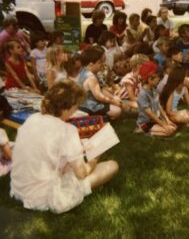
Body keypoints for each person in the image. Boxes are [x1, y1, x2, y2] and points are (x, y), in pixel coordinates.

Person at [10, 80, 119, 214]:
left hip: (20, 189)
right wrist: (96, 156)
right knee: (112, 166)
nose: (75, 112)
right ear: (66, 107)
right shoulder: (67, 130)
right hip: (44, 197)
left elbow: (47, 151)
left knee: (69, 166)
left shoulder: (32, 119)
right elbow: (82, 173)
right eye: (75, 108)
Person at [78, 46, 122, 120]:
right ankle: (97, 120)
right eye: (99, 62)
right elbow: (99, 96)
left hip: (85, 104)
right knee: (117, 111)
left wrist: (113, 97)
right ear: (91, 64)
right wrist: (113, 102)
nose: (102, 64)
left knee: (116, 105)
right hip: (89, 106)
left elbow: (101, 89)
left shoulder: (85, 71)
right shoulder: (91, 77)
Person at [136, 61, 177, 136]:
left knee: (173, 128)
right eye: (158, 77)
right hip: (146, 123)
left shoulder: (153, 90)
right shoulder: (143, 94)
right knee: (169, 131)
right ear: (150, 79)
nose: (159, 79)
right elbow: (150, 114)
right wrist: (164, 125)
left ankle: (154, 129)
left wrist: (167, 120)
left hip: (155, 120)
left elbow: (159, 106)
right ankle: (143, 130)